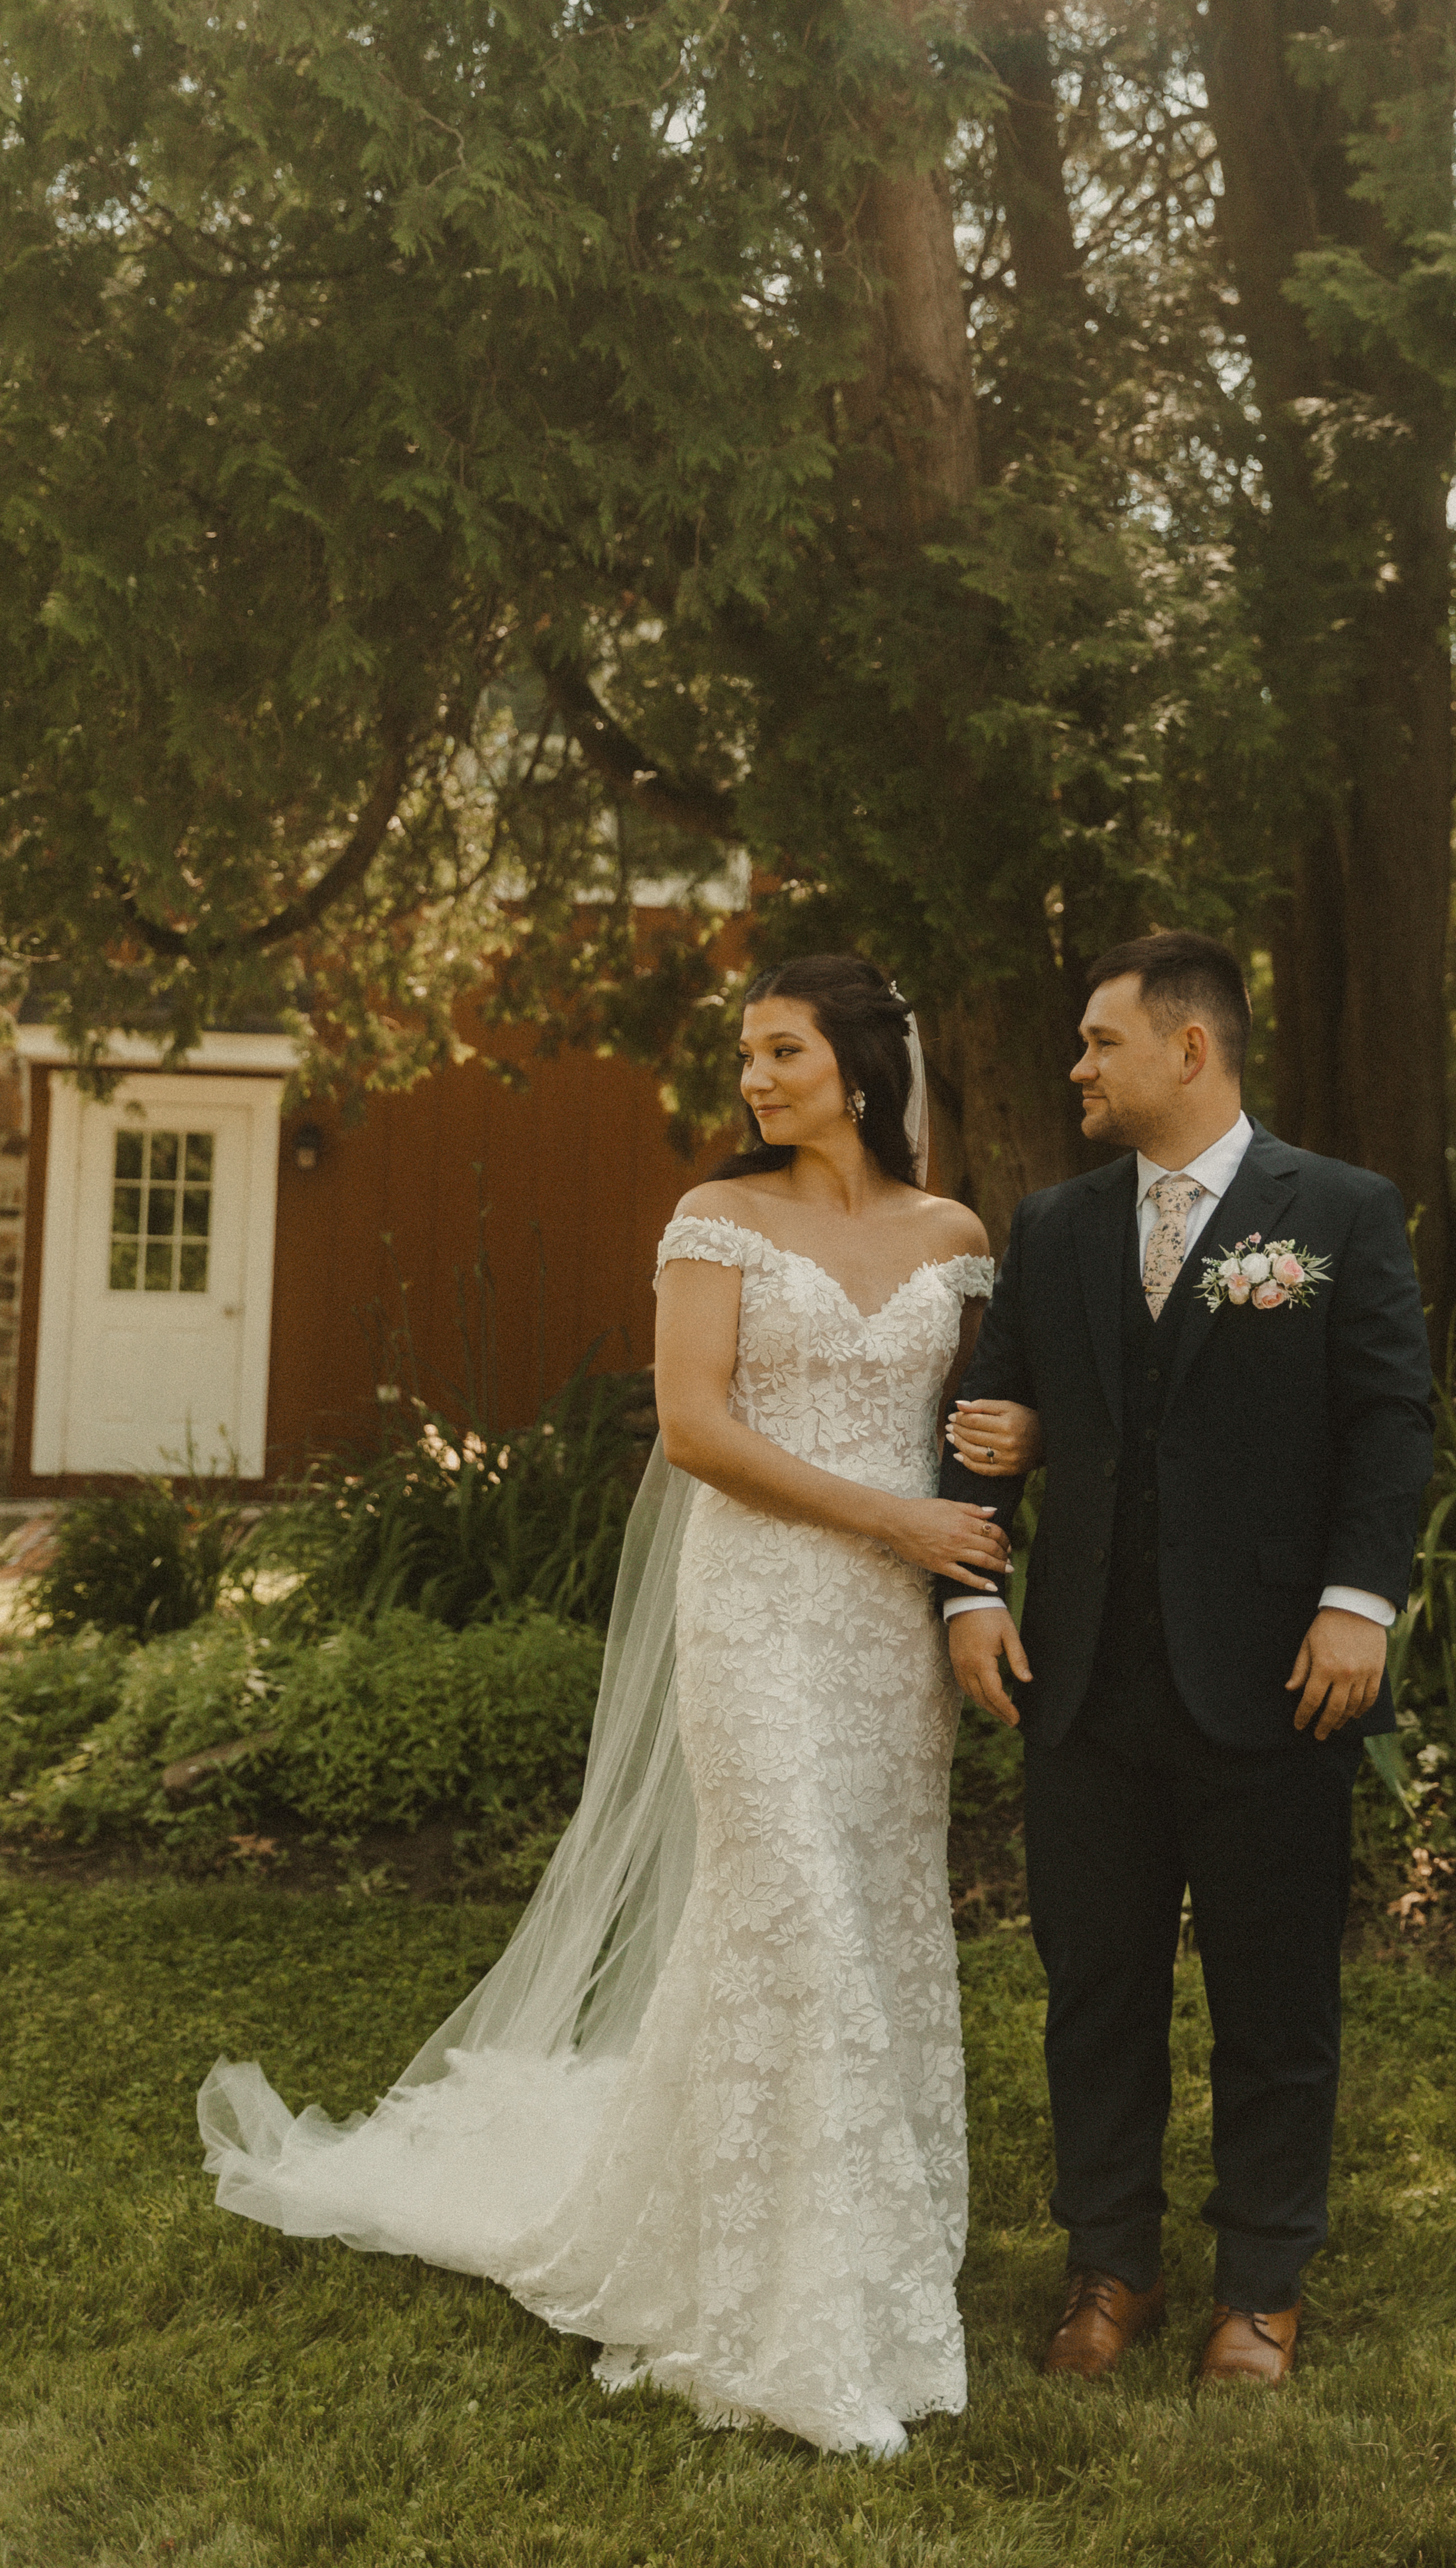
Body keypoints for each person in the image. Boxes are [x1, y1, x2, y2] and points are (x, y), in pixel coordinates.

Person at [198, 955, 1033, 2459]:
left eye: (783, 1052)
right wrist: (895, 1523)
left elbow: (966, 1432)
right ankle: (787, 2309)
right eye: (747, 1056)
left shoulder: (955, 1238)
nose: (756, 1080)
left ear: (859, 1067)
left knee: (873, 1909)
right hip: (763, 1607)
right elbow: (702, 1429)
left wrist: (994, 1461)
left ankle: (863, 2255)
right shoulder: (718, 1221)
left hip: (883, 1648)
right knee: (790, 1899)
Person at [940, 930, 1434, 2388]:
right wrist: (973, 1595)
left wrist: (1360, 1600)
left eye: (1099, 1043)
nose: (1077, 1067)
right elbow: (989, 1419)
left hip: (1280, 1676)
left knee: (1277, 1998)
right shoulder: (1057, 1224)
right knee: (1096, 1988)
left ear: (1189, 1049)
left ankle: (1263, 2286)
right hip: (1084, 1682)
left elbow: (1390, 1423)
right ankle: (1111, 2270)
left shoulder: (1338, 1212)